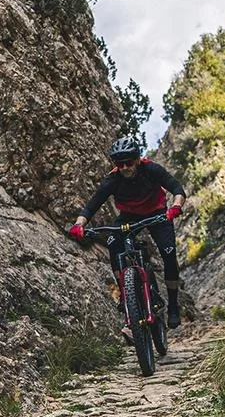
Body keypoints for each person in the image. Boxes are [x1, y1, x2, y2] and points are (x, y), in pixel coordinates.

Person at [69, 135, 186, 329]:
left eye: (128, 163)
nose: (124, 168)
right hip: (129, 216)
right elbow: (91, 206)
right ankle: (126, 293)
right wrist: (79, 225)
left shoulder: (151, 169)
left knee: (169, 254)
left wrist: (175, 206)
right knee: (114, 243)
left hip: (157, 213)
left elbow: (176, 187)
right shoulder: (113, 179)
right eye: (119, 164)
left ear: (137, 160)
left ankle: (173, 305)